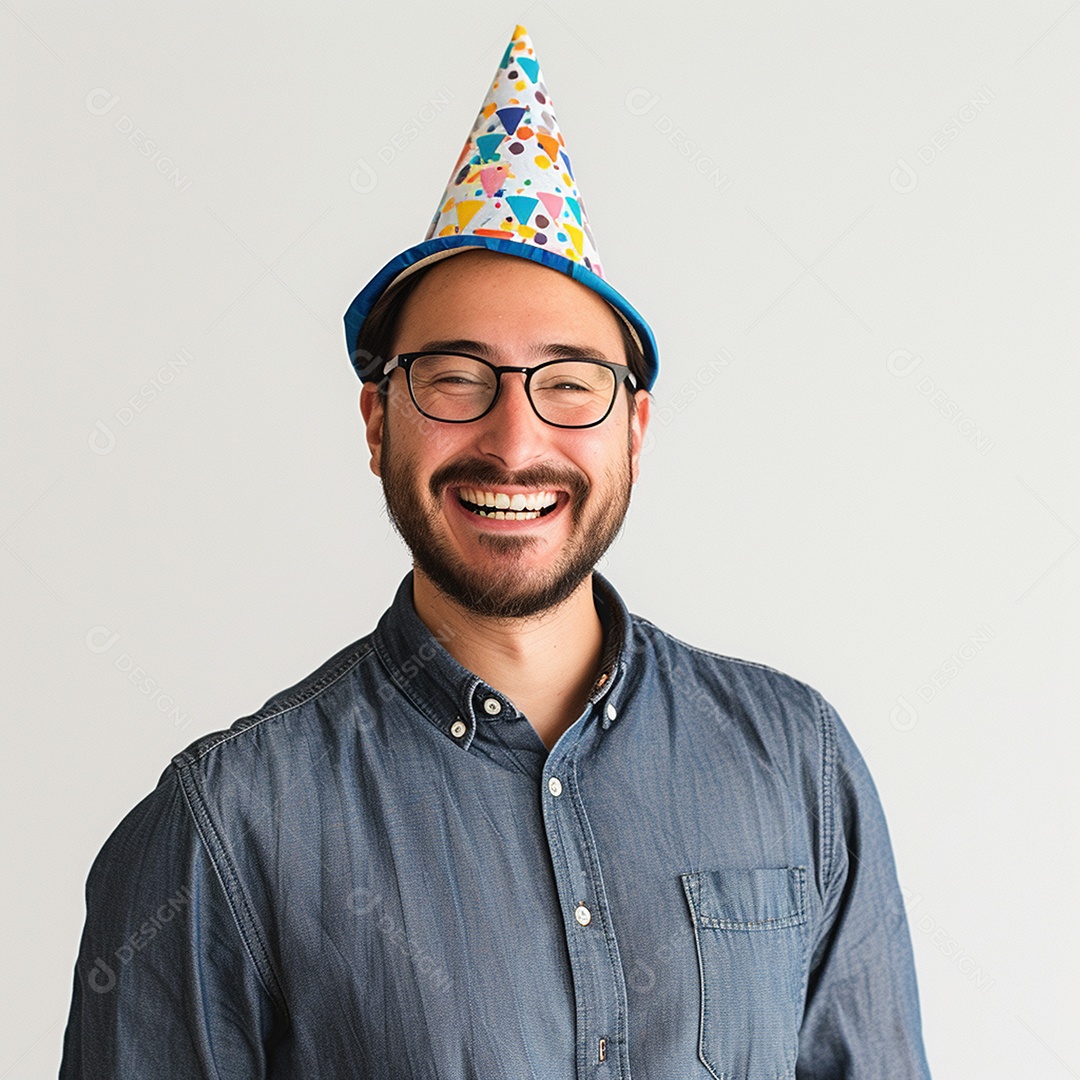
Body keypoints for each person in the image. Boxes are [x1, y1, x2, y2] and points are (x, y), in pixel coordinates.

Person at [61, 26, 931, 1079]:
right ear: (378, 420)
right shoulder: (227, 828)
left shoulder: (798, 765)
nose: (515, 442)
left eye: (567, 383)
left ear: (634, 433)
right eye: (456, 378)